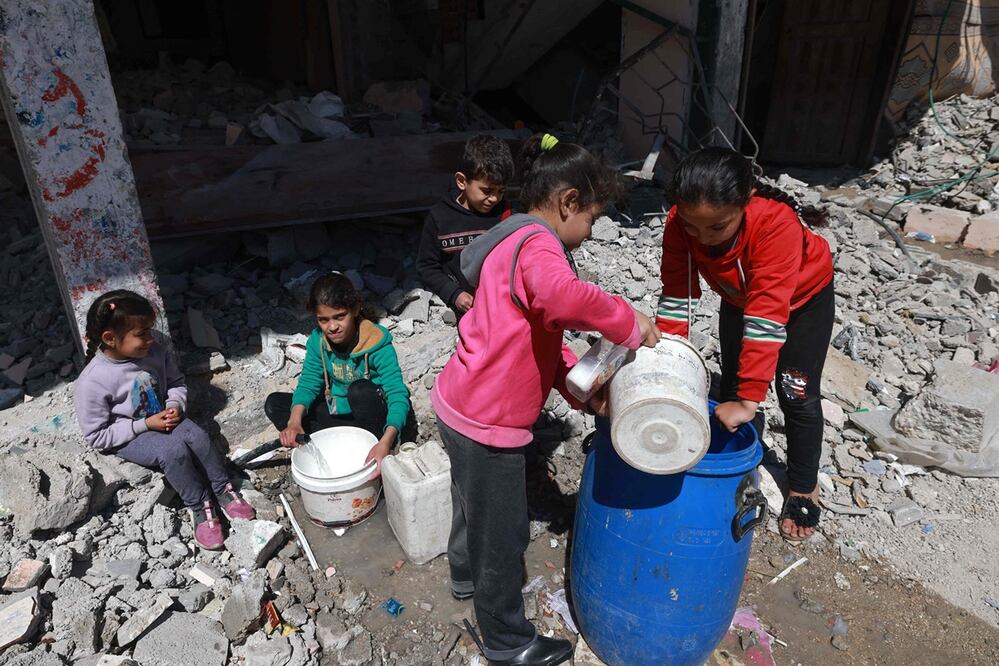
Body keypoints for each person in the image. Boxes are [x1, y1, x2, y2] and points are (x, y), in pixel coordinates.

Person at [432, 132, 661, 666]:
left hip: (459, 404)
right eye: (593, 220)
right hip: (488, 422)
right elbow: (563, 299)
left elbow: (539, 337)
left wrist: (579, 394)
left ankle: (463, 578)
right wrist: (628, 320)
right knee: (503, 532)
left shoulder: (508, 241)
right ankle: (507, 641)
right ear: (568, 202)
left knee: (473, 506)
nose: (589, 232)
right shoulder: (539, 245)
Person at [656, 146, 834, 543]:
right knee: (735, 380)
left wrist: (752, 398)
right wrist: (667, 361)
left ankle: (804, 484)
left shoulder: (775, 224)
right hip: (737, 296)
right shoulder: (680, 223)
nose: (703, 238)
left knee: (796, 392)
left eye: (717, 228)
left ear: (745, 200)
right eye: (693, 227)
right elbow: (677, 293)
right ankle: (739, 444)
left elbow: (767, 316)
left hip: (802, 299)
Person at [74, 290, 255, 551]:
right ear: (110, 339)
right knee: (173, 451)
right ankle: (199, 505)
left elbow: (176, 383)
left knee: (198, 437)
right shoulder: (92, 381)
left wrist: (174, 405)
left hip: (163, 417)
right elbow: (97, 437)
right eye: (142, 334)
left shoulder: (154, 352)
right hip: (131, 434)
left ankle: (223, 488)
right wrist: (145, 425)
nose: (150, 339)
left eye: (149, 331)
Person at [264, 272, 410, 477]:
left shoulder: (377, 343)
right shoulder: (318, 342)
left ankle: (378, 450)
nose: (332, 327)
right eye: (323, 320)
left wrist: (386, 440)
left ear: (355, 309)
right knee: (275, 404)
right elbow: (308, 383)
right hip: (341, 416)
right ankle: (325, 448)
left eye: (339, 317)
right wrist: (294, 422)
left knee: (359, 390)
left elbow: (397, 395)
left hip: (374, 419)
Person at [417, 134, 514, 317]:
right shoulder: (440, 217)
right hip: (467, 309)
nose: (494, 198)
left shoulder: (506, 214)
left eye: (501, 191)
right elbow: (427, 266)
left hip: (502, 306)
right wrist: (454, 294)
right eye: (487, 191)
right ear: (462, 181)